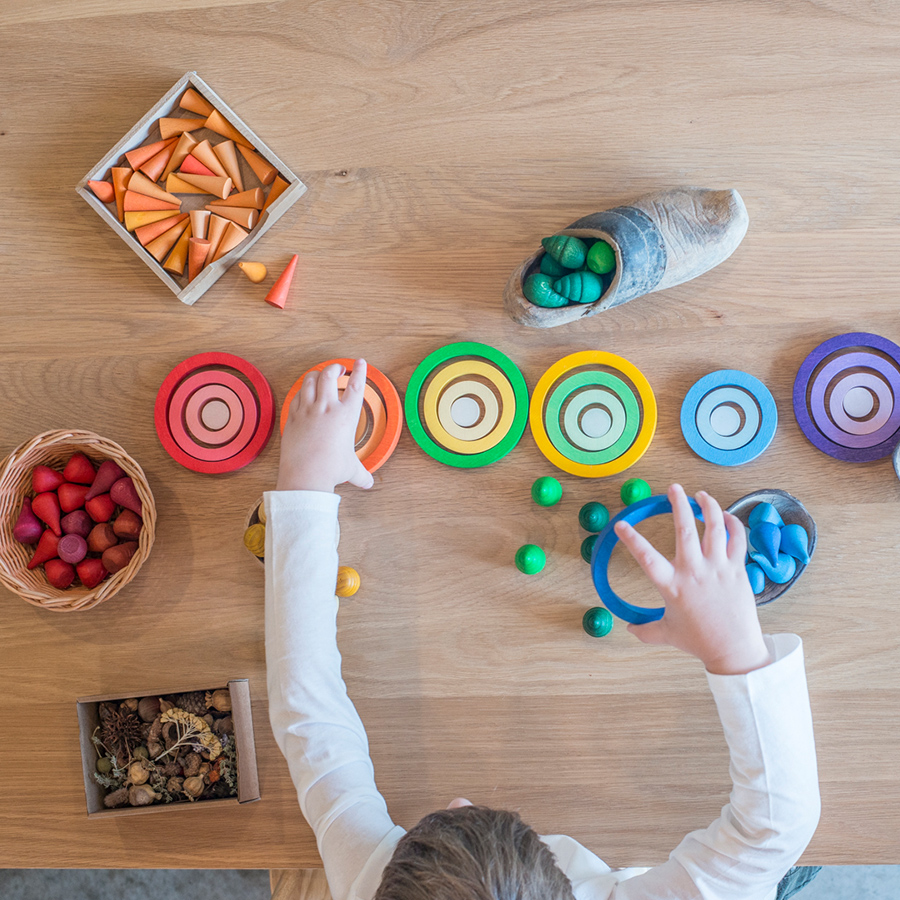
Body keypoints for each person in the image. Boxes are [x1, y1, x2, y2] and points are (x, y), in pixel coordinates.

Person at [265, 359, 821, 900]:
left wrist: (305, 482)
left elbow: (308, 710)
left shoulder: (369, 880)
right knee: (794, 872)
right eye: (484, 818)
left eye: (435, 825)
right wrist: (734, 649)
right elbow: (774, 830)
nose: (459, 799)